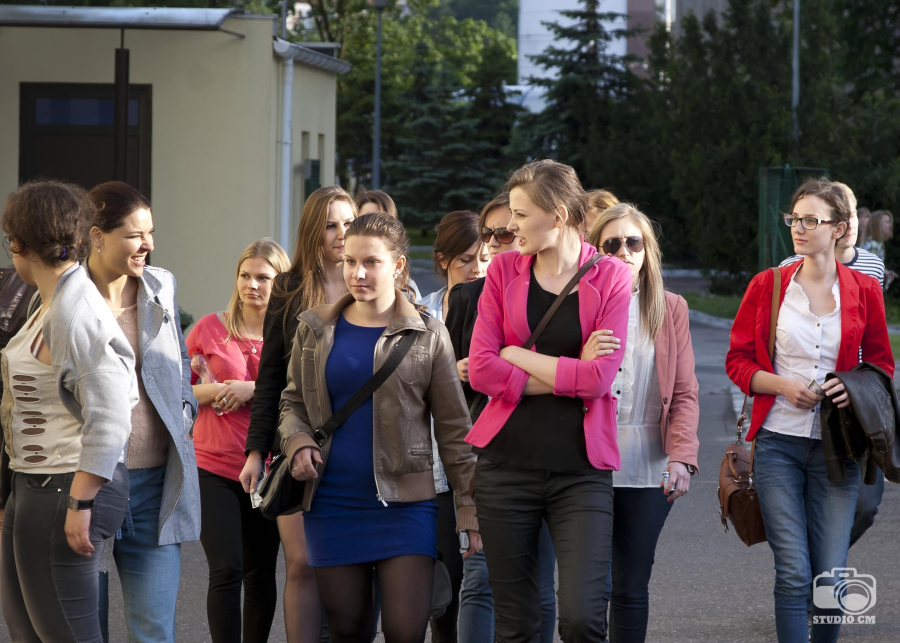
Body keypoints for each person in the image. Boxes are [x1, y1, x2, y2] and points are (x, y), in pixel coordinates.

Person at [279, 212, 482, 643]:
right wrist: (297, 441)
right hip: (332, 502)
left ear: (398, 265)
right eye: (350, 261)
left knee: (405, 632)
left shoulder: (428, 333)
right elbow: (292, 403)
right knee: (348, 630)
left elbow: (454, 429)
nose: (358, 273)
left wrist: (468, 505)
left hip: (407, 504)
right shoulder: (314, 328)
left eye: (371, 262)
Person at [467, 159, 632, 643]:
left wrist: (516, 354)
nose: (510, 227)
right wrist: (570, 370)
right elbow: (482, 370)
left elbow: (599, 380)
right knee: (516, 625)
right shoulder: (503, 271)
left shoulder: (612, 276)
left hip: (581, 473)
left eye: (520, 215)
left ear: (557, 216)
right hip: (505, 469)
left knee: (582, 619)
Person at [726, 177, 893, 643]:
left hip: (839, 448)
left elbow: (881, 366)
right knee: (794, 572)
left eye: (811, 220)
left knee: (829, 577)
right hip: (778, 443)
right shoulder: (768, 285)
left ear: (839, 228)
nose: (798, 228)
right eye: (794, 219)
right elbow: (737, 360)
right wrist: (781, 384)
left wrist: (851, 387)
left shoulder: (865, 290)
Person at [0, 180, 138, 642]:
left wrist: (81, 501)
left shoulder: (74, 310)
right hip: (36, 483)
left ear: (18, 244)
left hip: (65, 487)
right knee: (28, 631)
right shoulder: (51, 299)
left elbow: (113, 410)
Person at [84, 181, 201, 643]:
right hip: (89, 484)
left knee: (154, 631)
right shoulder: (67, 297)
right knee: (84, 631)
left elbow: (180, 358)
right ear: (97, 236)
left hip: (155, 484)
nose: (147, 244)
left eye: (150, 233)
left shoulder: (160, 285)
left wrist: (185, 408)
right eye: (135, 235)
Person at [241, 185, 356, 643]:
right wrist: (255, 452)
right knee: (302, 562)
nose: (342, 233)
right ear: (312, 230)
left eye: (348, 223)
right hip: (295, 439)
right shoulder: (288, 288)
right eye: (330, 225)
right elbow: (269, 377)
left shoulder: (370, 281)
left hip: (357, 440)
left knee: (349, 560)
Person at [445, 194, 559, 643]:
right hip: (487, 452)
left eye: (506, 232)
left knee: (539, 582)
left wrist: (501, 367)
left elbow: (583, 376)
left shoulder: (558, 293)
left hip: (549, 448)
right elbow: (449, 390)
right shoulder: (468, 296)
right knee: (479, 577)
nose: (493, 242)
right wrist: (459, 372)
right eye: (488, 233)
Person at [588, 204, 700, 643]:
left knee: (631, 585)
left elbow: (685, 392)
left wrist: (682, 457)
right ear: (595, 251)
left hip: (649, 464)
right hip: (587, 460)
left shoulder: (670, 308)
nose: (623, 251)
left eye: (633, 242)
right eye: (612, 244)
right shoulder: (579, 305)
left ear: (647, 249)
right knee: (589, 587)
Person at [187, 239, 291, 643]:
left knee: (260, 571)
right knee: (226, 568)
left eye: (263, 277)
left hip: (269, 468)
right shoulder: (209, 328)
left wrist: (252, 389)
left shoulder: (293, 334)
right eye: (245, 275)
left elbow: (302, 394)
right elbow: (178, 389)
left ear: (281, 282)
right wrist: (216, 390)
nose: (252, 285)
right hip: (212, 465)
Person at [778, 182, 887, 550]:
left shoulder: (871, 268)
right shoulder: (787, 271)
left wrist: (859, 383)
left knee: (866, 506)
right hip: (798, 416)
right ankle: (816, 566)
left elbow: (877, 348)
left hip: (859, 406)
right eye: (797, 219)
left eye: (856, 213)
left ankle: (824, 554)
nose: (853, 222)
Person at [418, 210, 490, 643]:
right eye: (466, 259)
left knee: (478, 583)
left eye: (483, 258)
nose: (476, 268)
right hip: (428, 468)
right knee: (440, 586)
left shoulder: (496, 305)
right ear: (443, 260)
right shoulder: (420, 311)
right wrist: (445, 373)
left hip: (479, 465)